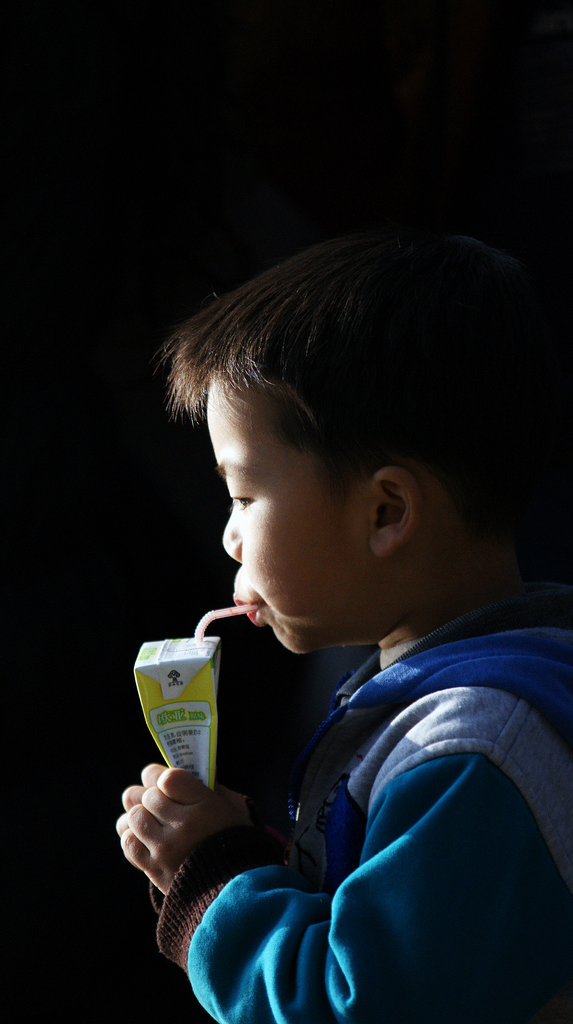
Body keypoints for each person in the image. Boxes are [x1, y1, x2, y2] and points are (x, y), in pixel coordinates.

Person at [116, 229, 573, 1024]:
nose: (229, 535)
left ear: (386, 512)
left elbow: (359, 1005)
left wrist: (217, 882)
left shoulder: (475, 754)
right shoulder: (477, 697)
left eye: (245, 495)